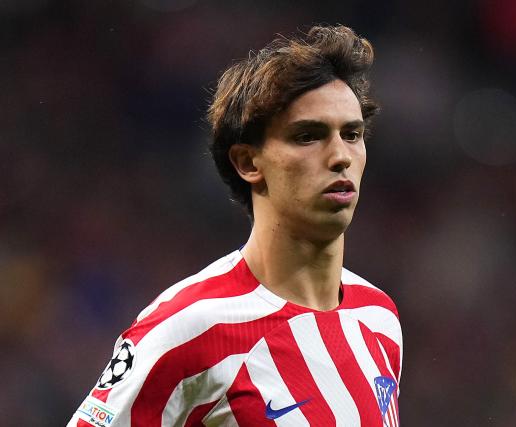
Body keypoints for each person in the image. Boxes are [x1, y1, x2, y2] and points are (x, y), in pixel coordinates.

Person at [68, 24, 402, 426]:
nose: (340, 156)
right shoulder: (190, 327)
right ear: (247, 162)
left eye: (352, 134)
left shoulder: (379, 317)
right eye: (308, 136)